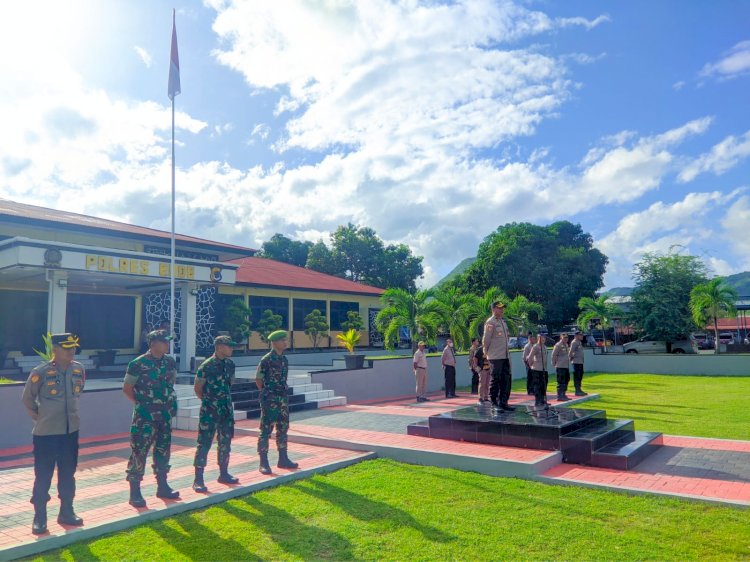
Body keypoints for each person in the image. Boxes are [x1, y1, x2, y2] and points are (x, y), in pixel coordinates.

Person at [22, 333, 86, 535]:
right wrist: (41, 418)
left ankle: (66, 512)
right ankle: (40, 517)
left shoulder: (78, 369)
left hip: (70, 432)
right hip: (46, 435)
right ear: (55, 350)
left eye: (73, 348)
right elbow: (27, 399)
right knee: (43, 476)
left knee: (68, 474)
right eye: (67, 348)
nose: (72, 351)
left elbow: (78, 393)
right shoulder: (40, 372)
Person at [123, 329, 180, 507]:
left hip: (164, 415)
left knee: (163, 451)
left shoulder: (170, 362)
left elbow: (171, 385)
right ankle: (135, 492)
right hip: (145, 417)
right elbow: (127, 388)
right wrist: (143, 405)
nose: (167, 344)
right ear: (153, 343)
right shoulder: (137, 363)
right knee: (139, 452)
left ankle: (162, 486)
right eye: (164, 341)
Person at [192, 335, 239, 493]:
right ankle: (198, 479)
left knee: (225, 442)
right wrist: (209, 401)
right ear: (219, 347)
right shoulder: (207, 365)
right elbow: (198, 388)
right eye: (228, 346)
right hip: (210, 411)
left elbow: (230, 384)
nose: (231, 348)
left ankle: (224, 473)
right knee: (204, 443)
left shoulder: (230, 364)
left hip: (226, 410)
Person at [256, 330, 299, 475]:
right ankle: (264, 462)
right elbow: (258, 380)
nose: (285, 342)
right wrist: (268, 393)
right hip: (270, 399)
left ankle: (283, 458)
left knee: (283, 428)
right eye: (282, 340)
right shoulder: (266, 360)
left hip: (282, 399)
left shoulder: (284, 360)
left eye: (285, 340)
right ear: (274, 343)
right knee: (266, 430)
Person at [482, 301, 514, 411]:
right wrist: (486, 353)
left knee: (505, 379)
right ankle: (494, 403)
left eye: (502, 308)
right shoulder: (490, 322)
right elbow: (486, 340)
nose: (502, 310)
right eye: (499, 308)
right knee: (495, 379)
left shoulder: (502, 321)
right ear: (494, 309)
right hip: (495, 356)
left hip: (504, 355)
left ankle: (503, 402)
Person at [527, 332, 549, 407]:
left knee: (544, 385)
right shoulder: (535, 347)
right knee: (537, 385)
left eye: (544, 338)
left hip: (544, 369)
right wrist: (531, 366)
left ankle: (542, 400)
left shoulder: (544, 347)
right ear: (538, 338)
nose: (543, 339)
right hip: (537, 369)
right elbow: (530, 357)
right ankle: (538, 401)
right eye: (541, 338)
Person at [552, 333, 571, 401]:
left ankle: (563, 394)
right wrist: (554, 363)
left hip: (566, 366)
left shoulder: (566, 345)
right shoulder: (558, 345)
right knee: (561, 381)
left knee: (567, 379)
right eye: (564, 337)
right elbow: (554, 355)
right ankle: (559, 395)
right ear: (561, 338)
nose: (566, 339)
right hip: (560, 366)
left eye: (566, 337)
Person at [569, 330, 588, 396]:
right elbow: (571, 352)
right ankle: (577, 390)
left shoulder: (579, 342)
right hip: (576, 362)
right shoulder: (574, 342)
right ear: (576, 336)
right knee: (577, 376)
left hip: (580, 362)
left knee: (580, 376)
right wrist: (571, 360)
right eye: (580, 335)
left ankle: (579, 389)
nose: (582, 336)